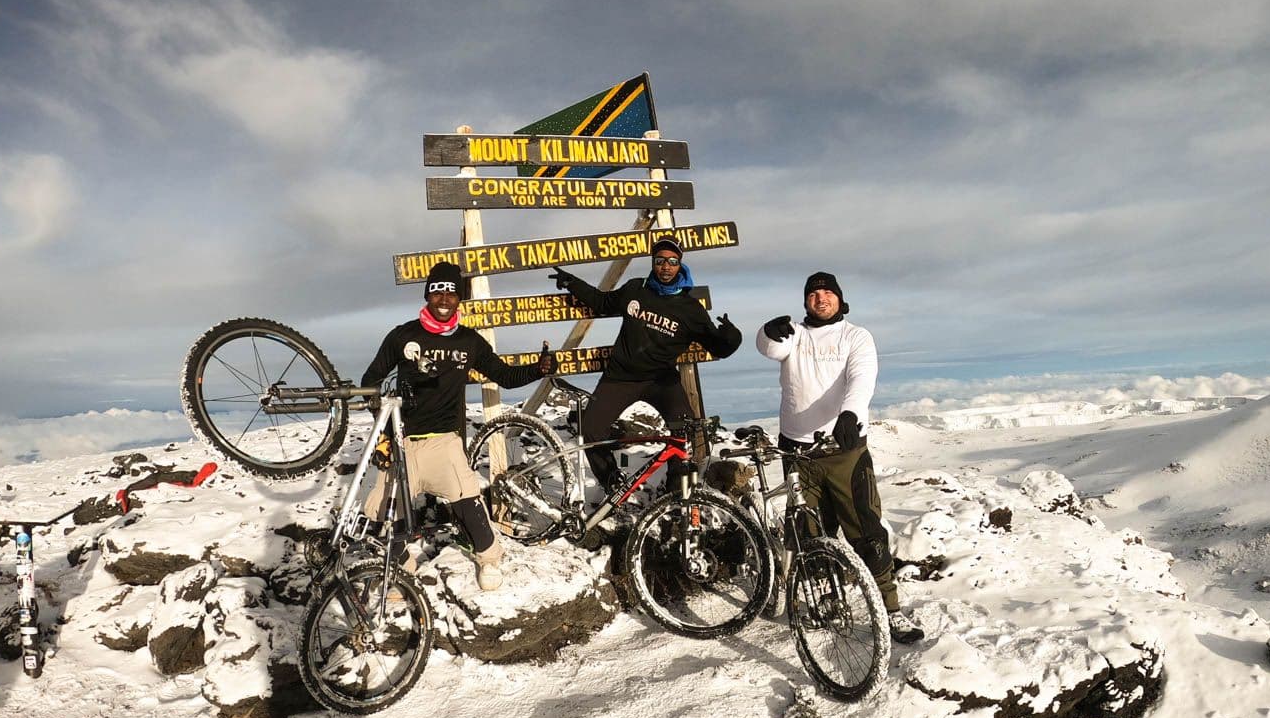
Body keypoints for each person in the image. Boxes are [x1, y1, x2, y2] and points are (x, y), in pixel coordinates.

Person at [359, 261, 556, 591]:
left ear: (458, 298)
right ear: (428, 296)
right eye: (438, 292)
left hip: (444, 441)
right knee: (383, 511)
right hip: (402, 442)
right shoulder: (402, 335)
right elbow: (370, 381)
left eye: (451, 291)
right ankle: (399, 571)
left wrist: (538, 369)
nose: (444, 298)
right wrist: (384, 425)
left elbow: (504, 377)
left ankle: (489, 559)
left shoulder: (470, 341)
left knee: (467, 500)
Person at [756, 273, 923, 645]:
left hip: (843, 451)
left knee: (865, 530)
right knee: (810, 532)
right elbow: (769, 348)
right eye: (813, 293)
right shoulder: (796, 334)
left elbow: (861, 376)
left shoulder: (856, 336)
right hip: (797, 452)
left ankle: (891, 610)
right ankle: (828, 598)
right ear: (805, 301)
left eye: (827, 292)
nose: (820, 298)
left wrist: (850, 413)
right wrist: (767, 331)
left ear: (839, 299)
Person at [550, 236, 742, 502]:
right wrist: (573, 283)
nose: (665, 266)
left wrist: (733, 337)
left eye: (672, 261)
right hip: (620, 378)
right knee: (591, 429)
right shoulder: (635, 290)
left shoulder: (690, 309)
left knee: (683, 428)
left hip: (661, 380)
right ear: (653, 263)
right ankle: (613, 484)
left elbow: (719, 348)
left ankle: (675, 490)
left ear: (680, 264)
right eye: (660, 260)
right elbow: (602, 303)